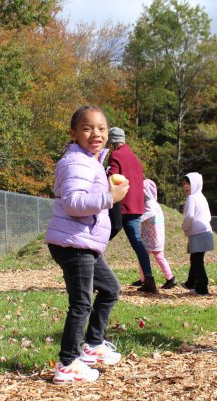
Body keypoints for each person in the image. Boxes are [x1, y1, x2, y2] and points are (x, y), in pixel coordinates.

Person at [46, 105, 129, 384]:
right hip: (74, 243)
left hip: (84, 242)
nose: (96, 133)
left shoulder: (91, 161)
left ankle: (92, 346)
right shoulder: (75, 162)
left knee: (110, 289)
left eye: (102, 128)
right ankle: (67, 363)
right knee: (80, 303)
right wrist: (109, 197)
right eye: (87, 128)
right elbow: (73, 203)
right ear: (74, 133)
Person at [106, 127, 156, 293]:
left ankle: (91, 274)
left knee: (100, 237)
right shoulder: (134, 157)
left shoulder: (116, 155)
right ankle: (149, 278)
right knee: (137, 242)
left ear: (112, 143)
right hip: (136, 205)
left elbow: (113, 178)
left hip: (121, 204)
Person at [180, 172, 214, 296]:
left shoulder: (191, 198)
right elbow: (209, 216)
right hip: (206, 232)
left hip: (197, 234)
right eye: (183, 184)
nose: (185, 186)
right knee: (196, 259)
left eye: (188, 183)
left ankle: (202, 287)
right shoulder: (202, 197)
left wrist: (185, 227)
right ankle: (191, 283)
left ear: (195, 183)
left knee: (197, 261)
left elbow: (189, 216)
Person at [140, 179, 176, 289]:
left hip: (151, 236)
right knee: (158, 257)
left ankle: (145, 279)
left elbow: (149, 214)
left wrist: (139, 219)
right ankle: (169, 278)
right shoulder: (155, 204)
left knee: (143, 257)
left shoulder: (149, 203)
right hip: (156, 235)